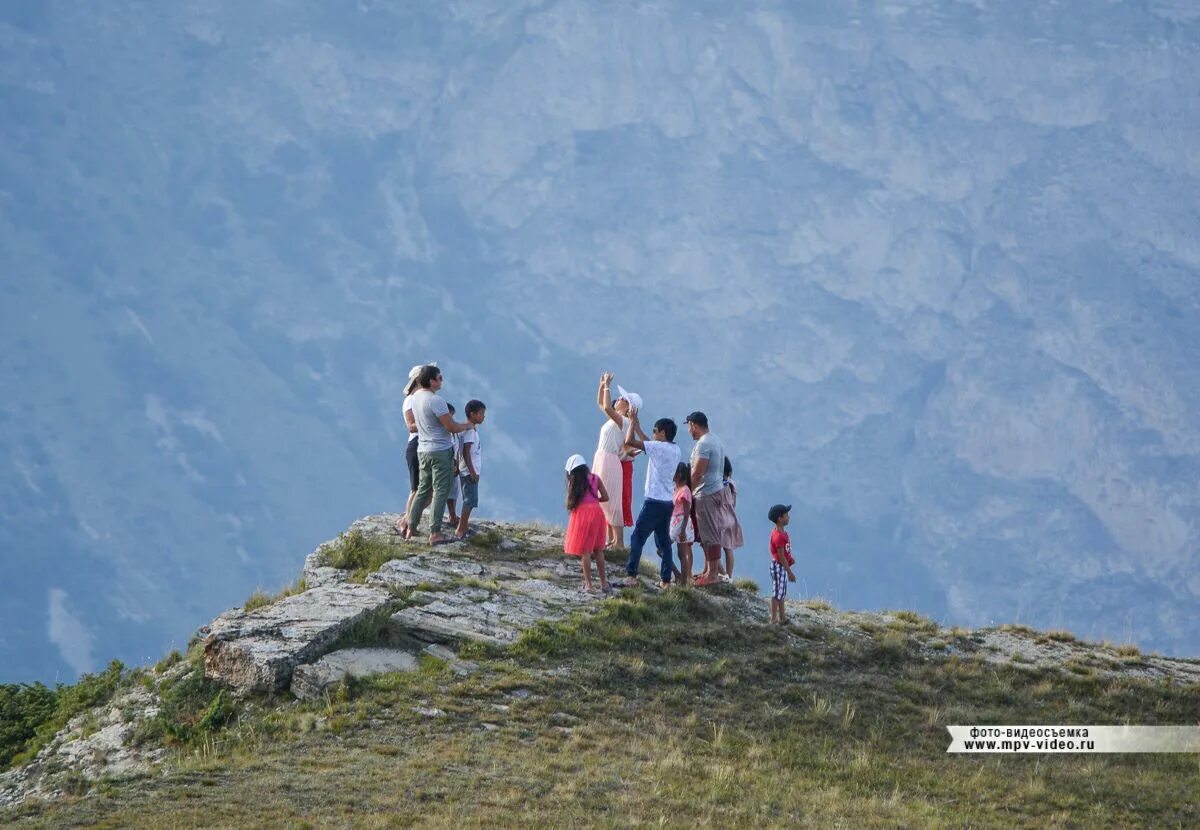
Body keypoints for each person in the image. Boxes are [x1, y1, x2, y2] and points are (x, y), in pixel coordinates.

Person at [405, 365, 473, 545]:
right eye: (439, 377)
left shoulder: (416, 397)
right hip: (439, 450)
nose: (441, 380)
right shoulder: (436, 401)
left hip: (423, 449)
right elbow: (449, 426)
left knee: (422, 489)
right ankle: (435, 532)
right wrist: (466, 426)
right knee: (440, 490)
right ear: (432, 381)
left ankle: (411, 527)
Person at [614, 409, 681, 589]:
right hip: (667, 501)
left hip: (653, 501)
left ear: (662, 433)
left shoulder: (658, 447)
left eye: (655, 430)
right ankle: (666, 580)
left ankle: (631, 575)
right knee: (664, 542)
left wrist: (632, 424)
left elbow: (630, 442)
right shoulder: (675, 449)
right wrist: (636, 425)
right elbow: (648, 442)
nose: (653, 433)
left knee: (637, 537)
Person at [686, 411, 743, 586]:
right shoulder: (715, 440)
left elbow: (697, 472)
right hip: (716, 490)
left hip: (706, 493)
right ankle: (709, 571)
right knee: (709, 533)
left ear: (694, 425)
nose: (689, 431)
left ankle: (712, 575)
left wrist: (689, 491)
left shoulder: (704, 444)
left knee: (709, 534)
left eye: (689, 427)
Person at [593, 373, 634, 551]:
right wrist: (602, 385)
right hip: (602, 457)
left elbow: (608, 408)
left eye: (622, 399)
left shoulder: (623, 421)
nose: (618, 400)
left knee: (612, 499)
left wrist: (608, 386)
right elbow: (602, 405)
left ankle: (619, 542)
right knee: (602, 500)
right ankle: (611, 539)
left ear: (628, 407)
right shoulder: (615, 419)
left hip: (610, 460)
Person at [563, 454, 613, 594]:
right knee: (598, 549)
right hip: (597, 513)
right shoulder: (595, 478)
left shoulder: (575, 482)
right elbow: (606, 497)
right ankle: (603, 583)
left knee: (586, 551)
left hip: (583, 515)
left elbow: (570, 502)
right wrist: (595, 500)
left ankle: (589, 584)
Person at [395, 363, 434, 536]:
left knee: (426, 489)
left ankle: (409, 518)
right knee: (418, 488)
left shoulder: (419, 398)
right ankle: (407, 521)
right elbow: (411, 426)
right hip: (417, 443)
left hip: (423, 443)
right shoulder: (411, 400)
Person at [455, 400, 486, 539]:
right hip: (468, 471)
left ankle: (464, 526)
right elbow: (466, 452)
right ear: (472, 414)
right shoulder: (469, 432)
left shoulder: (470, 430)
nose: (483, 417)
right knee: (469, 500)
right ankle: (461, 529)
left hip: (468, 470)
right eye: (481, 414)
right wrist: (472, 472)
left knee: (471, 500)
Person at [768, 504, 797, 624]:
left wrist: (790, 559)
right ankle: (774, 618)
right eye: (786, 515)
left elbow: (785, 552)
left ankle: (782, 617)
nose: (788, 517)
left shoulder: (782, 533)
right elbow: (780, 556)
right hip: (779, 566)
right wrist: (789, 571)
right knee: (777, 593)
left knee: (782, 592)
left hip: (782, 566)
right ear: (780, 518)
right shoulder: (778, 536)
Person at [669, 462, 695, 586]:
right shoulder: (676, 489)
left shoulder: (685, 490)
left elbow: (686, 512)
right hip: (675, 521)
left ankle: (683, 580)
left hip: (680, 523)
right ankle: (678, 575)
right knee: (679, 553)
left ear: (679, 475)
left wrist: (683, 530)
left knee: (679, 553)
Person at [720, 456, 738, 581]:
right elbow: (734, 504)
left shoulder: (718, 485)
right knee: (728, 548)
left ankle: (720, 573)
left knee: (710, 545)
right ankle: (729, 576)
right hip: (730, 518)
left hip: (719, 519)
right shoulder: (731, 485)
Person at [445, 403, 461, 529]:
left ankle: (452, 515)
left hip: (455, 462)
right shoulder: (443, 428)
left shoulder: (452, 429)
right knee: (445, 491)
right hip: (447, 463)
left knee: (454, 491)